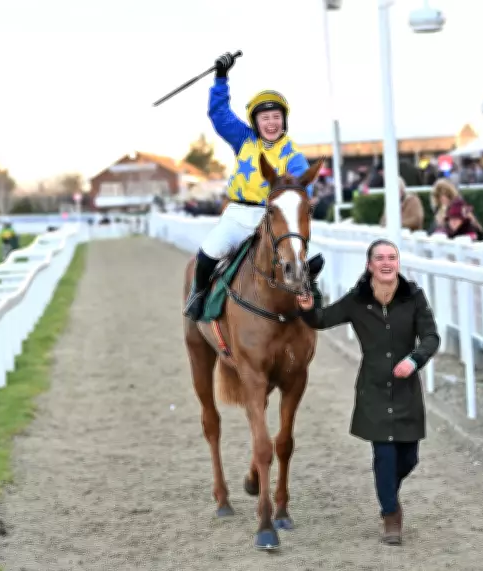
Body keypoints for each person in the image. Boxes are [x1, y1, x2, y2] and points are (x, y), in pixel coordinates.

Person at [296, 239, 440, 546]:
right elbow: (321, 318)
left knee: (409, 458)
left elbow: (431, 337)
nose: (387, 263)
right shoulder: (357, 300)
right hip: (373, 389)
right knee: (384, 455)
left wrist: (414, 360)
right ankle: (391, 515)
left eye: (392, 257)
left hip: (406, 390)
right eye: (380, 258)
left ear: (397, 263)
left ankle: (388, 491)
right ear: (370, 265)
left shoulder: (414, 296)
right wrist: (309, 304)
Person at [184, 51, 324, 321]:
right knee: (210, 251)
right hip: (238, 215)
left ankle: (310, 304)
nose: (271, 123)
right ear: (256, 122)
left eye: (276, 117)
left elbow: (301, 192)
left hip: (272, 219)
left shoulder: (293, 156)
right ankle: (198, 295)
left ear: (284, 120)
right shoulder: (244, 139)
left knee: (304, 258)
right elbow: (219, 114)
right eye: (265, 118)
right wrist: (221, 78)